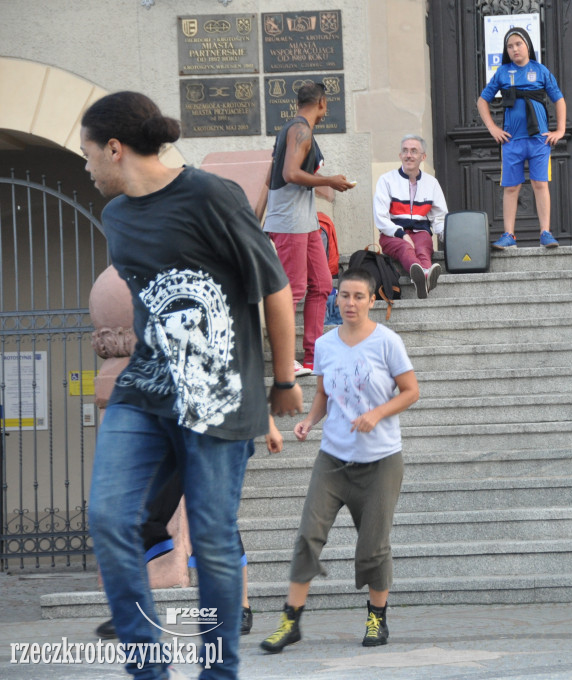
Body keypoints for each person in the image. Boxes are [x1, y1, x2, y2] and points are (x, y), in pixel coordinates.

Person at [81, 91, 304, 680]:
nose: (85, 166)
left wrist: (283, 380)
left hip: (218, 398)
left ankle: (217, 672)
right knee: (108, 517)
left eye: (87, 153)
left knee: (211, 539)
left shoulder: (210, 195)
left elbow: (274, 288)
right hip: (146, 389)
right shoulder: (117, 217)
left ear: (114, 147)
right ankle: (148, 668)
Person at [260, 268, 419, 653]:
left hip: (380, 461)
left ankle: (377, 619)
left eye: (358, 297)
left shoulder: (387, 342)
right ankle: (290, 621)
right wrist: (310, 423)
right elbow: (324, 392)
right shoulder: (326, 344)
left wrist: (377, 414)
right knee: (307, 538)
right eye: (344, 296)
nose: (349, 303)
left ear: (372, 300)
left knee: (373, 547)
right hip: (333, 458)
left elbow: (411, 391)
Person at [262, 82, 355, 376]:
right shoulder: (300, 130)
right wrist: (329, 181)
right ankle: (284, 360)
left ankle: (312, 358)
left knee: (322, 284)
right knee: (293, 290)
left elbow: (270, 176)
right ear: (322, 103)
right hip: (290, 223)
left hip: (305, 222)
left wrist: (256, 216)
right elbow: (289, 173)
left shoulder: (296, 130)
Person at [476, 27, 566, 250]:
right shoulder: (503, 72)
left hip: (539, 140)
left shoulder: (540, 70)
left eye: (518, 44)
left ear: (527, 46)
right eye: (510, 46)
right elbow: (482, 100)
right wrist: (492, 128)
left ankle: (545, 232)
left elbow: (559, 100)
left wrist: (560, 130)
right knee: (511, 187)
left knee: (539, 183)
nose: (515, 49)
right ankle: (509, 235)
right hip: (512, 142)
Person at [373, 135, 449, 298]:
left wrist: (448, 238)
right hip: (392, 234)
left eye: (414, 151)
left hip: (421, 232)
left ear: (423, 157)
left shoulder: (432, 183)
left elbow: (439, 218)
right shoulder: (386, 180)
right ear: (400, 155)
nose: (409, 155)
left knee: (422, 248)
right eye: (405, 151)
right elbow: (380, 217)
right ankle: (421, 276)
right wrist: (401, 234)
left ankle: (424, 278)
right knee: (405, 247)